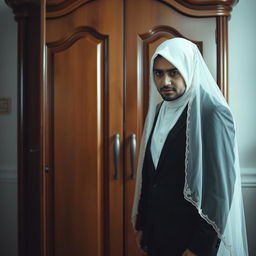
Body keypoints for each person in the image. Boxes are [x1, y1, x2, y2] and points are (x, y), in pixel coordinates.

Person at [132, 38, 248, 256]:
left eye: (173, 72)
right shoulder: (158, 112)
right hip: (157, 236)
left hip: (191, 241)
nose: (164, 81)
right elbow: (151, 177)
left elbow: (220, 189)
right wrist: (143, 226)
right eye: (158, 73)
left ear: (188, 68)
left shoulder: (212, 112)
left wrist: (199, 248)